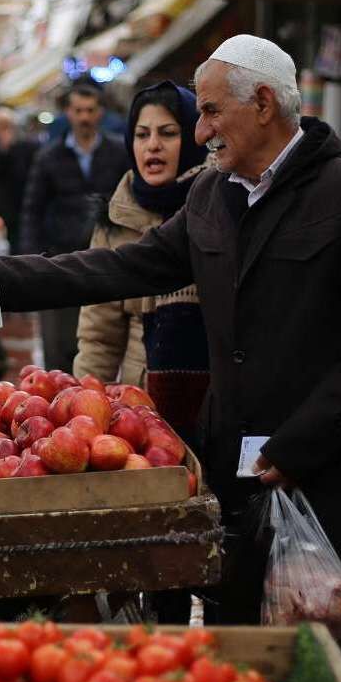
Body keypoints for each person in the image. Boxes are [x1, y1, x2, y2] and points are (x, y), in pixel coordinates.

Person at [0, 35, 341, 682]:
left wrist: (305, 440)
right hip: (239, 494)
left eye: (208, 113)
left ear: (263, 103)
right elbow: (112, 268)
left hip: (338, 493)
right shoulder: (211, 196)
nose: (198, 131)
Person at [73, 81, 211, 445]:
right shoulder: (115, 222)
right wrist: (86, 420)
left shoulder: (219, 210)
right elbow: (98, 337)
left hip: (213, 410)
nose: (152, 145)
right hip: (139, 418)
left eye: (168, 133)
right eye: (141, 134)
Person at [19, 81, 128, 373]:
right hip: (60, 257)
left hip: (106, 257)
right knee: (58, 341)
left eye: (90, 110)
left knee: (104, 338)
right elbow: (32, 208)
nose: (84, 117)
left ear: (100, 112)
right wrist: (31, 258)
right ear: (68, 112)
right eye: (78, 110)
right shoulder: (48, 156)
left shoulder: (118, 152)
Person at [0, 106, 38, 249]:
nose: (4, 130)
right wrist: (3, 151)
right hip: (1, 203)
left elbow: (30, 173)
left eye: (7, 126)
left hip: (24, 201)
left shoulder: (28, 145)